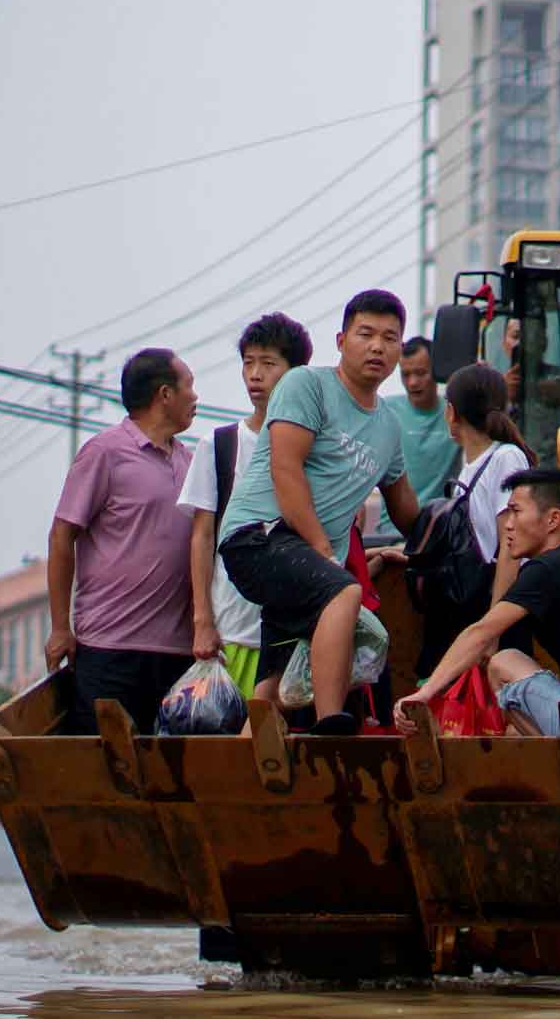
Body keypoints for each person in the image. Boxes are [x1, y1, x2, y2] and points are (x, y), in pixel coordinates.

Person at [218, 289, 422, 734]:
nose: (377, 346)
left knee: (273, 681)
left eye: (390, 338)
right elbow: (285, 470)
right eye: (365, 333)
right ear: (341, 339)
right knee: (342, 593)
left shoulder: (388, 424)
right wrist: (322, 550)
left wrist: (446, 530)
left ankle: (241, 772)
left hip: (299, 555)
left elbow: (405, 506)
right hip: (259, 535)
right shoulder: (307, 385)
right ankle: (332, 723)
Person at [395, 469, 560, 738]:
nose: (508, 524)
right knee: (513, 732)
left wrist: (424, 694)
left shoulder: (549, 567)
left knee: (504, 663)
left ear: (553, 520)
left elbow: (481, 633)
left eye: (516, 511)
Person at [46, 348, 201, 733]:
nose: (195, 397)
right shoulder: (105, 453)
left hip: (180, 654)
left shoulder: (191, 463)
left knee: (171, 781)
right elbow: (62, 537)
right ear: (165, 394)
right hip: (109, 649)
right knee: (106, 777)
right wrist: (60, 628)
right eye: (189, 386)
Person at [177, 314, 311, 699]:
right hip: (231, 631)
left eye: (268, 364)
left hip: (295, 633)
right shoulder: (219, 446)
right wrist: (203, 621)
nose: (255, 375)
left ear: (295, 373)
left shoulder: (315, 449)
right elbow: (202, 536)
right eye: (248, 363)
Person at [415, 362, 536, 672]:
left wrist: (493, 626)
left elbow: (511, 546)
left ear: (452, 413)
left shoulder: (506, 457)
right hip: (470, 608)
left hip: (497, 606)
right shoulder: (470, 466)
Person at [388, 337, 464, 504]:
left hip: (438, 524)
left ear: (437, 371)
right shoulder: (386, 411)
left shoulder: (456, 413)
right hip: (390, 528)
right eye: (405, 374)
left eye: (421, 373)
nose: (413, 382)